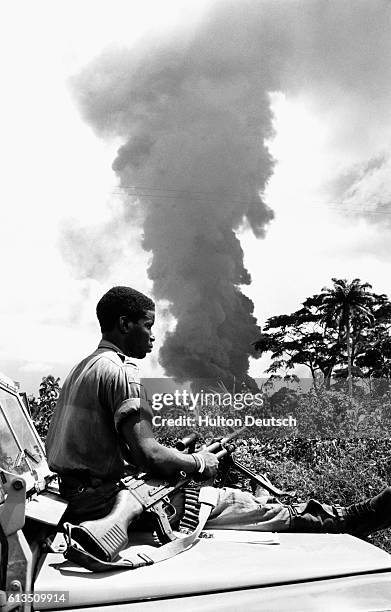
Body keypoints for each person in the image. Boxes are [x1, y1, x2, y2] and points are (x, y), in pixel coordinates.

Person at [46, 286, 391, 538]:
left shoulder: (81, 369)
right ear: (124, 324)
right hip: (108, 501)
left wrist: (181, 455)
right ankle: (342, 519)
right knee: (229, 500)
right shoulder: (122, 371)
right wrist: (199, 463)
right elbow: (149, 454)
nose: (153, 336)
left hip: (78, 497)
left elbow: (116, 450)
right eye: (148, 325)